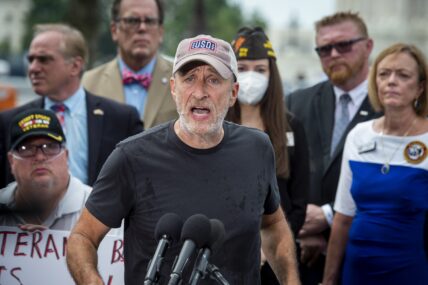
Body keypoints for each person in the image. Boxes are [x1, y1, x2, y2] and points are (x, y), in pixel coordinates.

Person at [66, 34, 300, 285]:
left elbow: (273, 224)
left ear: (233, 93)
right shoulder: (131, 157)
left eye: (213, 80)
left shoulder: (257, 148)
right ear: (174, 89)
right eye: (189, 79)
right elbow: (82, 238)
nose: (200, 92)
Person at [285, 12, 380, 284]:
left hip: (367, 256)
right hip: (304, 257)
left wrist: (328, 216)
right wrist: (301, 225)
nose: (334, 54)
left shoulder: (392, 107)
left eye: (344, 45)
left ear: (368, 46)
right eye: (324, 49)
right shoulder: (296, 103)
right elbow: (280, 174)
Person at [323, 43, 428, 285]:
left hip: (408, 271)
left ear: (420, 87)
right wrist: (328, 280)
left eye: (403, 75)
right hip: (357, 270)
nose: (391, 81)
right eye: (384, 74)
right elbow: (343, 216)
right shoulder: (359, 135)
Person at [0, 23, 143, 188]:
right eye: (31, 60)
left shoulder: (121, 119)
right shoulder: (9, 122)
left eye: (44, 59)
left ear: (75, 66)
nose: (33, 68)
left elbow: (141, 184)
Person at [227, 27, 309, 284]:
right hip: (223, 256)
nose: (251, 77)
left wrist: (268, 246)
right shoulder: (213, 127)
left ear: (272, 73)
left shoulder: (291, 127)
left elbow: (298, 203)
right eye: (242, 68)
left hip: (276, 262)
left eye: (260, 69)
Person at [82, 0, 177, 129]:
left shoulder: (183, 79)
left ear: (160, 32)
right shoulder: (87, 84)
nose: (142, 28)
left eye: (149, 21)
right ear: (114, 30)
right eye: (132, 21)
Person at [0, 108, 91, 230]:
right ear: (11, 160)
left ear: (66, 155)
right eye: (26, 148)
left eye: (50, 147)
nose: (40, 157)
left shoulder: (99, 208)